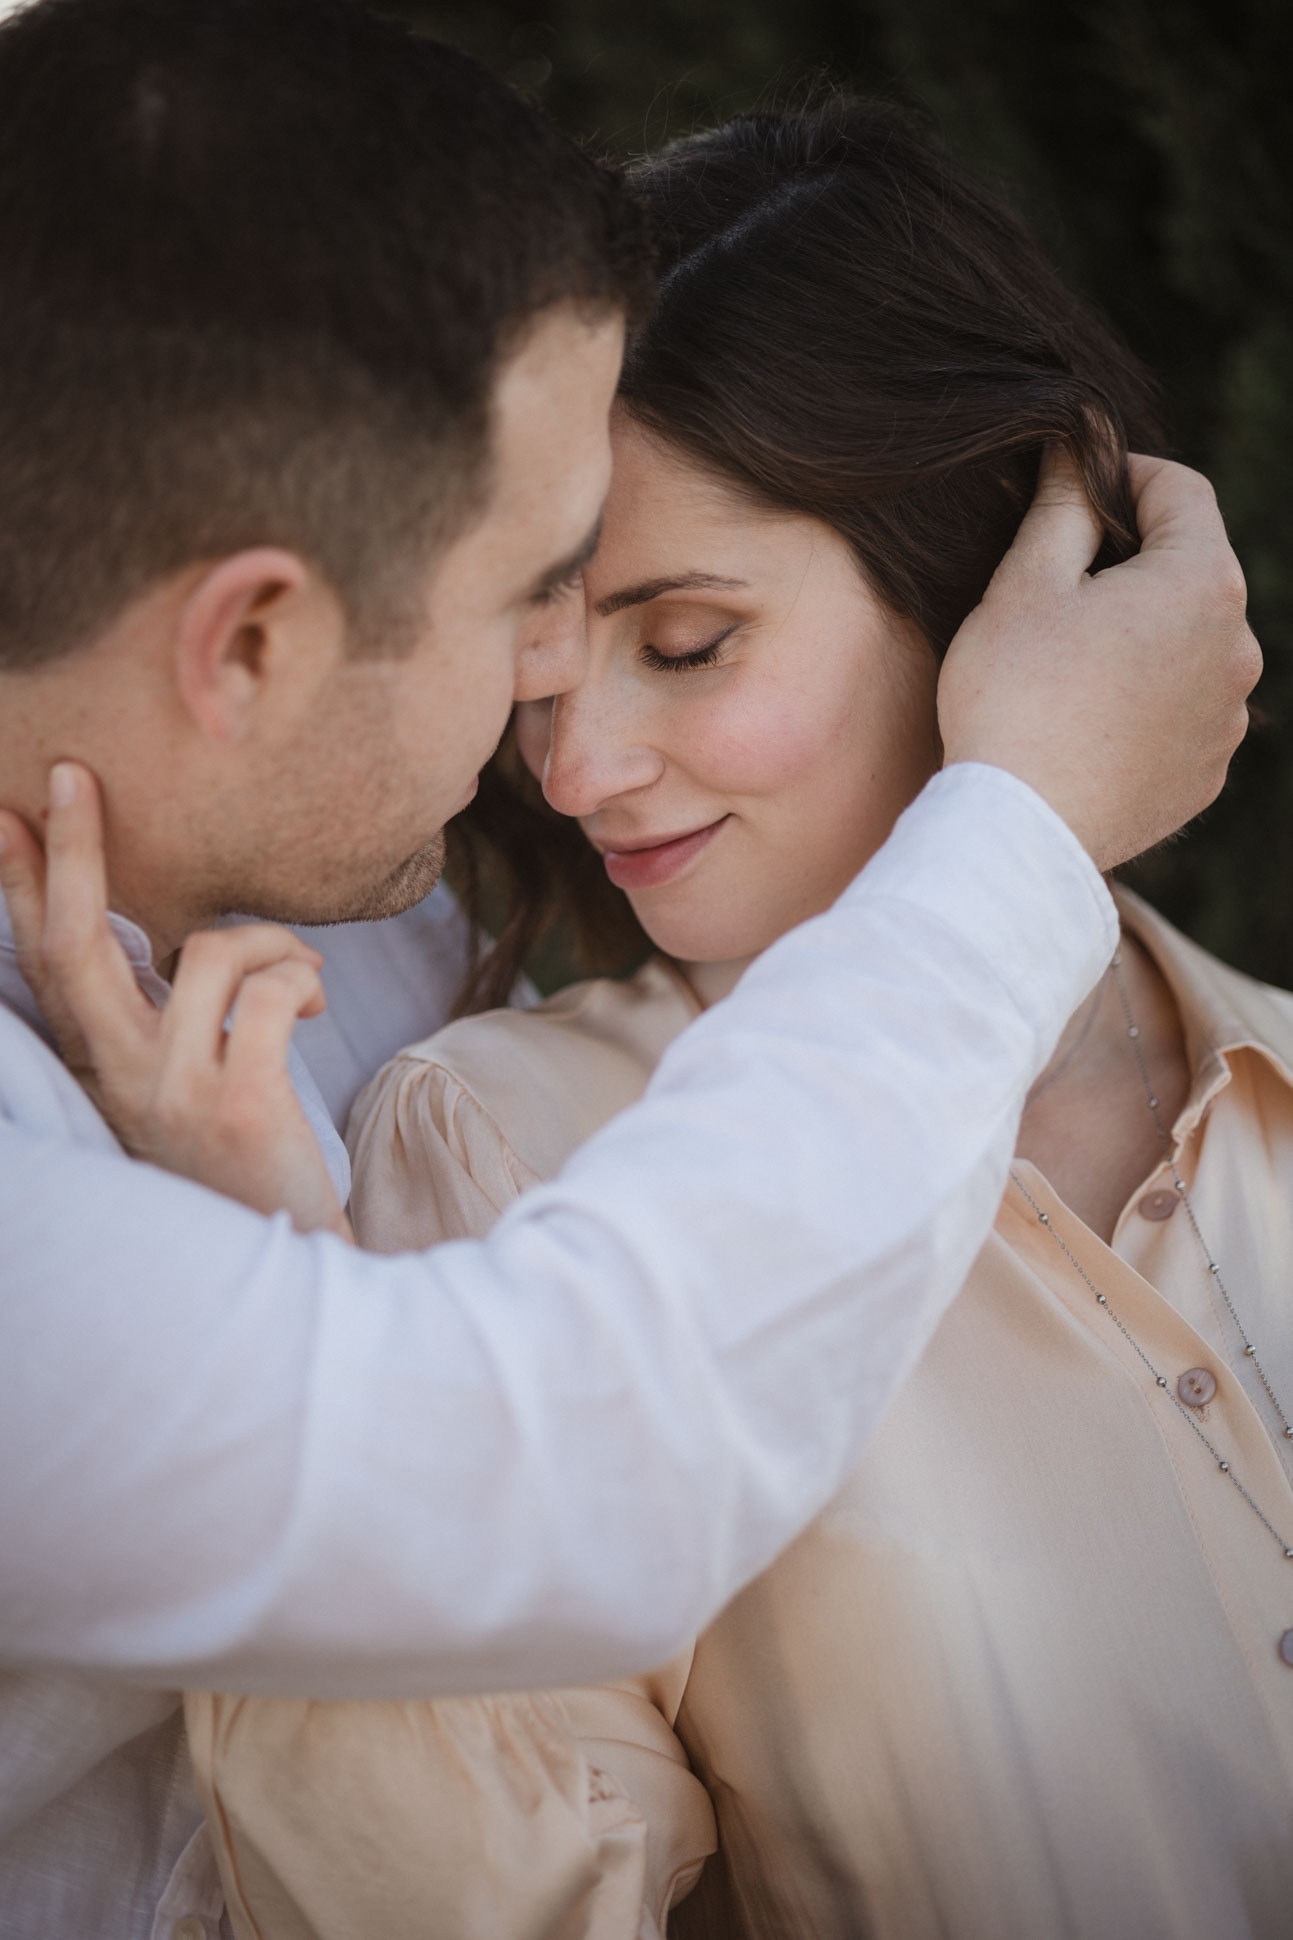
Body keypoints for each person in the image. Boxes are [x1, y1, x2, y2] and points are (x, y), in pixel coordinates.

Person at [0, 4, 1255, 1935]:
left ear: (1006, 553)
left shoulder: (362, 932)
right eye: (532, 625)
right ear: (245, 639)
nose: (563, 758)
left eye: (675, 640)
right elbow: (544, 1491)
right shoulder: (477, 1138)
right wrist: (1017, 819)